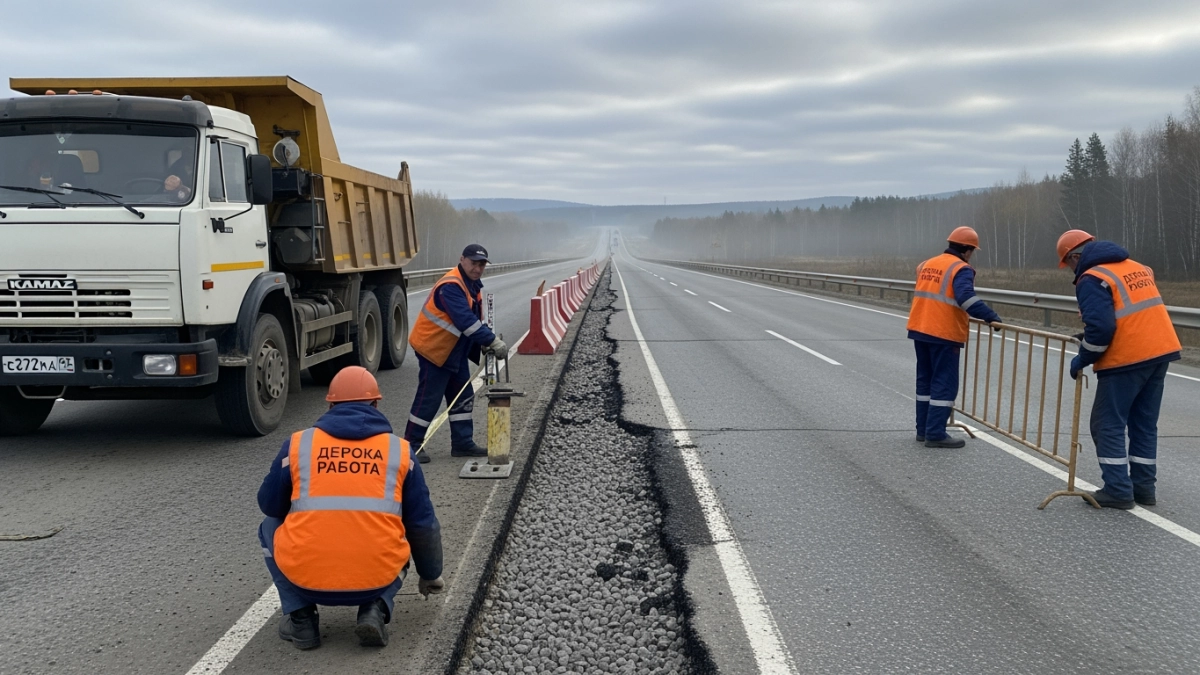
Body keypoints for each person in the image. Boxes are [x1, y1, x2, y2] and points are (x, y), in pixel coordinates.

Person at [257, 366, 444, 650]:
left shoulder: (299, 444)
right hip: (377, 579)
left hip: (305, 579)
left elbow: (269, 504)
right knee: (403, 529)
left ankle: (302, 618)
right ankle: (375, 608)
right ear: (376, 403)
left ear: (331, 404)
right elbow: (423, 525)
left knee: (269, 526)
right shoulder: (400, 451)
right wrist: (430, 574)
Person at [1057, 229, 1182, 509]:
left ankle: (1117, 490)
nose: (1071, 271)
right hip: (1160, 351)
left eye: (1069, 264)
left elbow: (1102, 329)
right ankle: (1143, 489)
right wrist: (1087, 338)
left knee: (1107, 424)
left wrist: (1082, 359)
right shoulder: (1135, 267)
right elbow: (1128, 315)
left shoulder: (1092, 278)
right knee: (1143, 425)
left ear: (1077, 256)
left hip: (1127, 359)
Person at [405, 244, 508, 463]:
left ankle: (462, 443)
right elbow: (466, 322)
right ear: (462, 259)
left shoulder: (471, 285)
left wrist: (483, 341)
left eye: (481, 265)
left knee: (462, 396)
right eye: (474, 263)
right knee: (429, 399)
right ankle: (411, 446)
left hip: (453, 351)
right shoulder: (451, 286)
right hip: (434, 350)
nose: (478, 268)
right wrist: (492, 341)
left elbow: (472, 321)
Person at [906, 226, 1002, 448]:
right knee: (944, 382)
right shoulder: (962, 268)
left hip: (919, 328)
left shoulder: (926, 264)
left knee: (926, 381)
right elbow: (965, 298)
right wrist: (991, 317)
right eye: (972, 251)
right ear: (967, 250)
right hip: (943, 332)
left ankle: (923, 429)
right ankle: (935, 433)